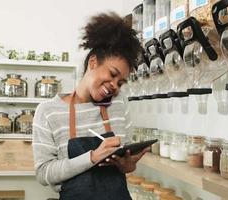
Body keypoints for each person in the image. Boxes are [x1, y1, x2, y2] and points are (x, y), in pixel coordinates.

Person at [32, 12, 148, 200]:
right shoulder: (48, 112)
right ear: (93, 62)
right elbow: (44, 173)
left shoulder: (118, 104)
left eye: (120, 82)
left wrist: (127, 165)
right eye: (112, 74)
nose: (114, 85)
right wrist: (93, 157)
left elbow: (124, 165)